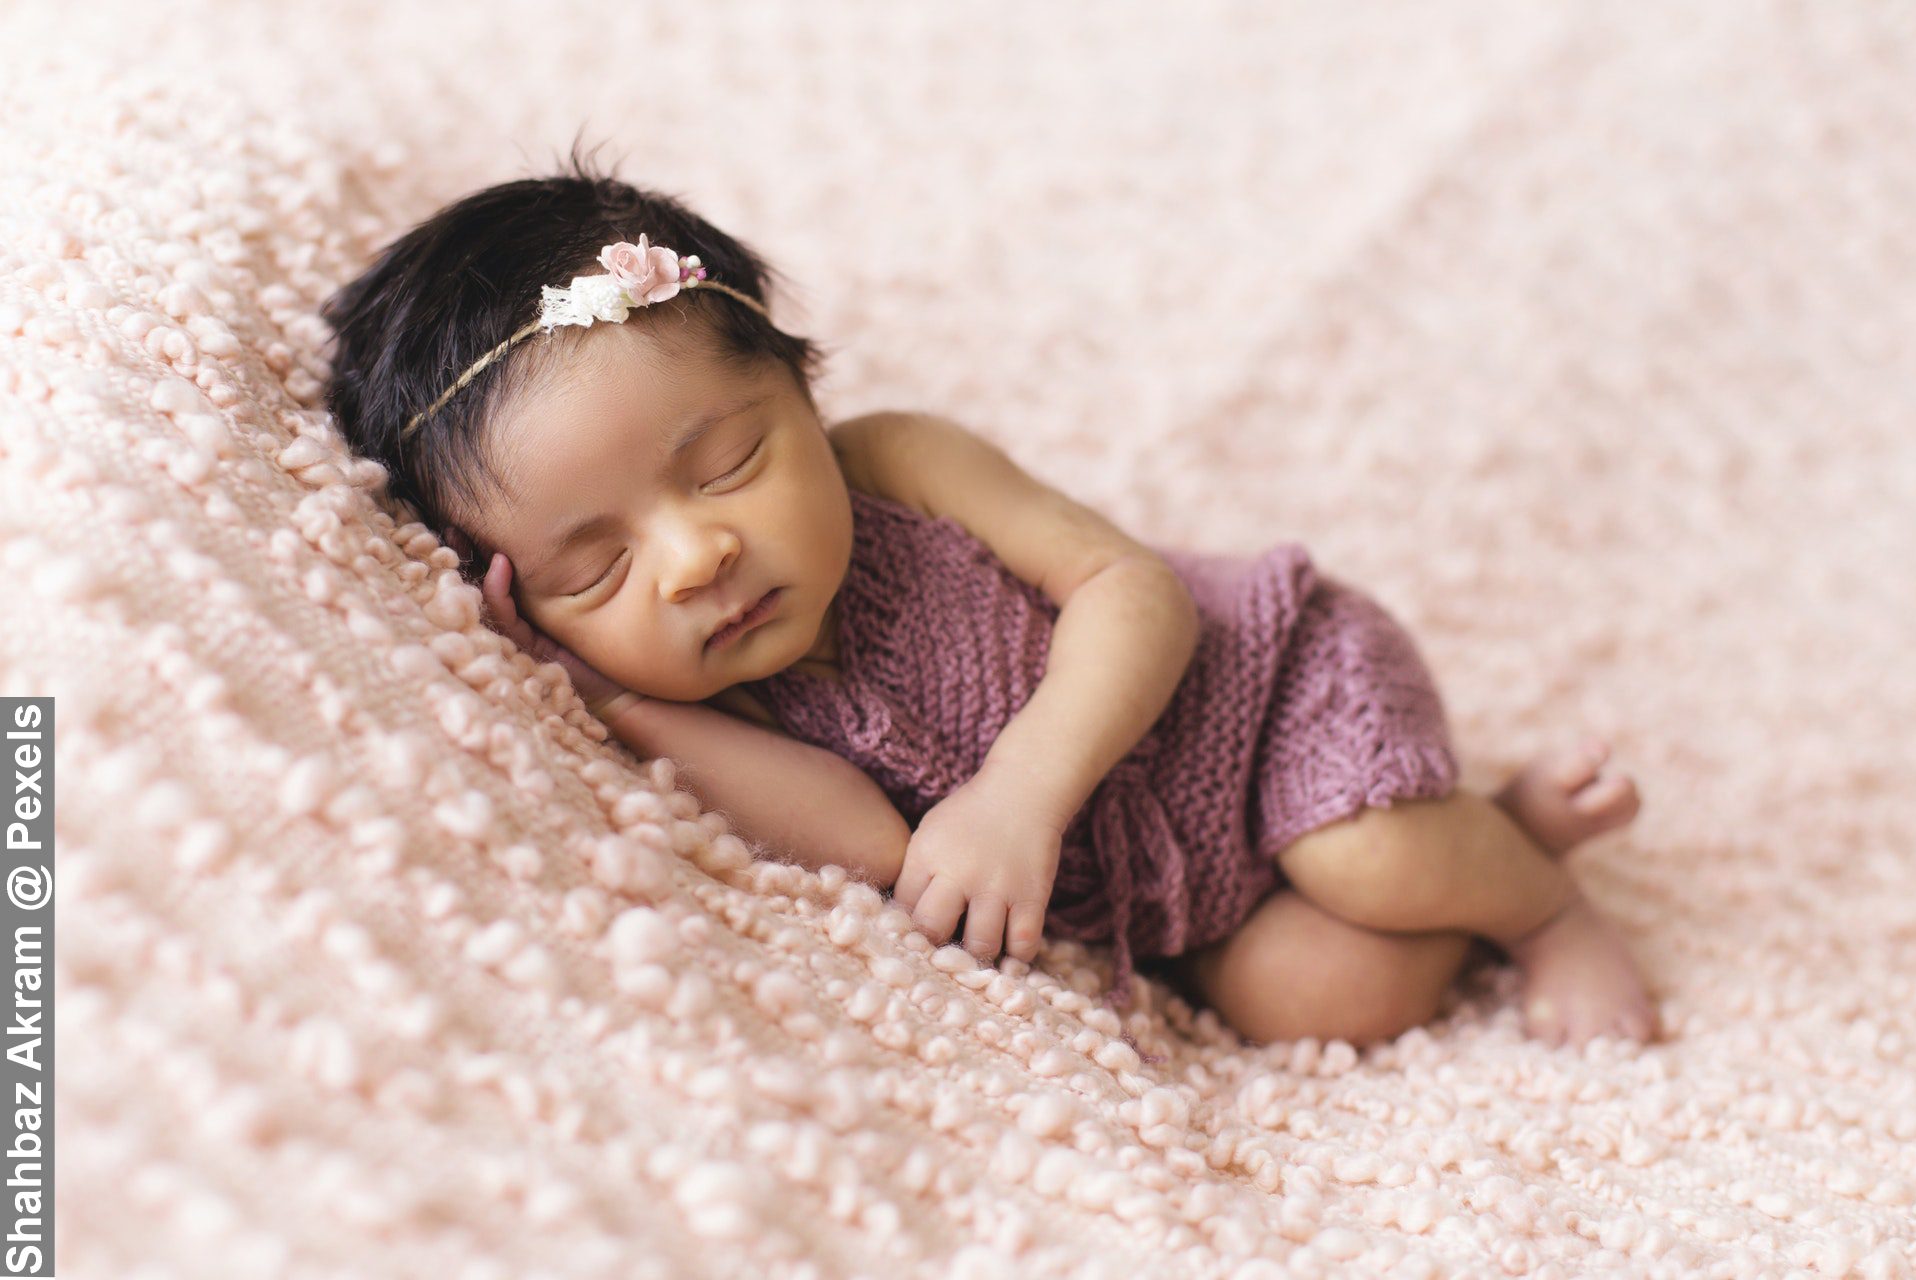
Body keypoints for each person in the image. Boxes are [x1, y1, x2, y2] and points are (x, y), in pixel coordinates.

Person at [322, 141, 1660, 1054]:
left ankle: (1539, 902)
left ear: (804, 392)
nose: (694, 559)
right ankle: (1493, 822)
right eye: (593, 569)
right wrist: (615, 700)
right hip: (1201, 900)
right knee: (1323, 998)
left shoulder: (902, 465)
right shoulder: (713, 691)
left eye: (729, 463)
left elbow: (1134, 591)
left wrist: (1020, 794)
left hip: (1274, 693)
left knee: (1366, 854)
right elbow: (866, 845)